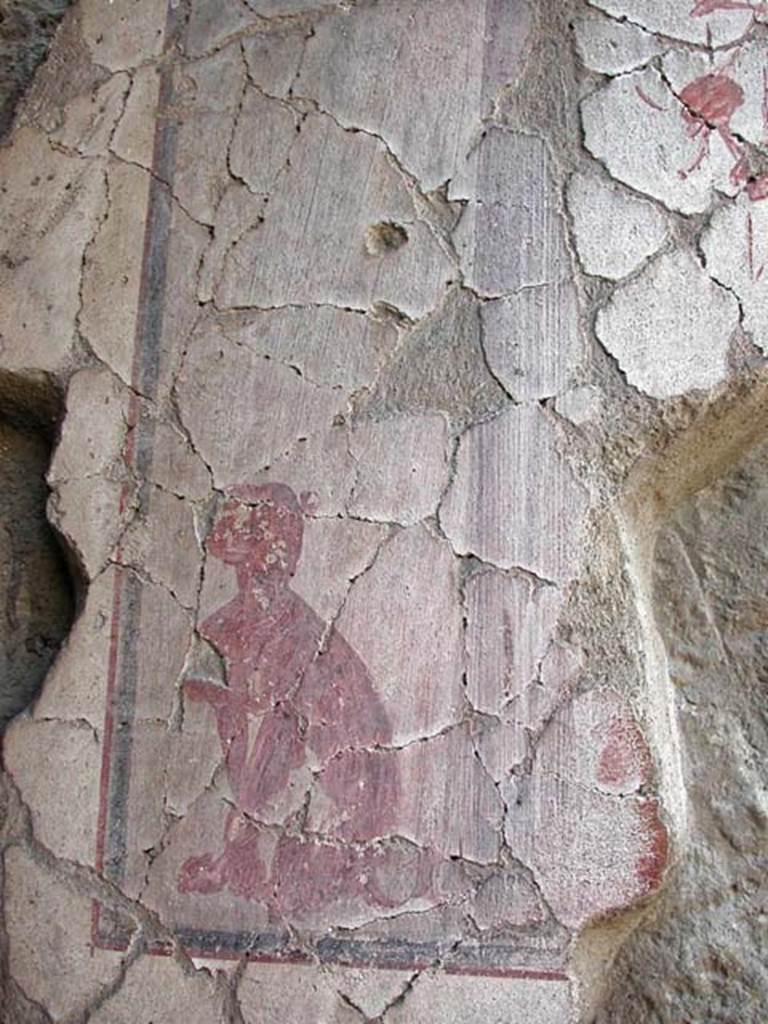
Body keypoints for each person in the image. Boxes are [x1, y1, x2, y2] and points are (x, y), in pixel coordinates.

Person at [177, 482, 433, 914]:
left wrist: (240, 833)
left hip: (335, 800)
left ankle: (296, 867)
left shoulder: (295, 636)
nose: (221, 526)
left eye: (242, 522)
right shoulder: (235, 624)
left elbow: (277, 737)